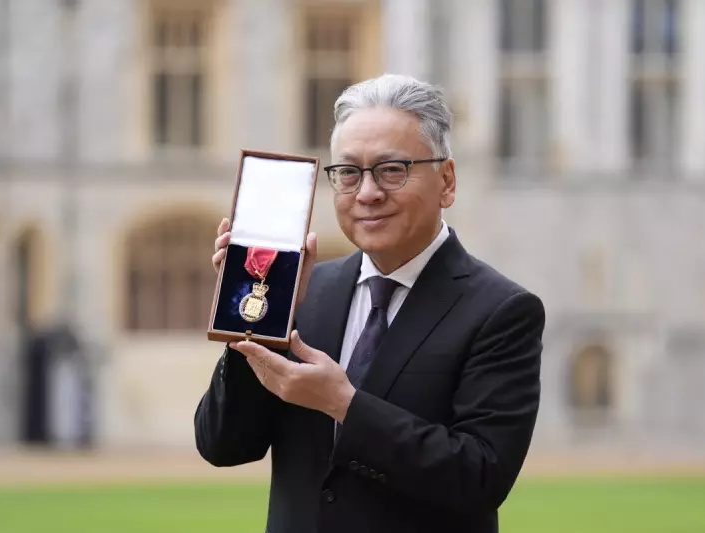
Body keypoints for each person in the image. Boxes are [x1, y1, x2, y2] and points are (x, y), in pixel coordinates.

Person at [194, 74, 546, 533]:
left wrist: (346, 405)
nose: (367, 193)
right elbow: (223, 446)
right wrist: (255, 315)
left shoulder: (502, 311)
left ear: (447, 180)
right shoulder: (306, 291)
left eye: (392, 169)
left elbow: (479, 476)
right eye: (348, 172)